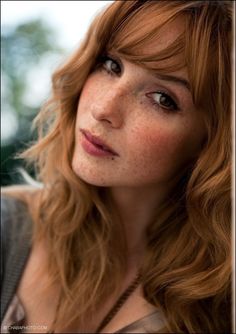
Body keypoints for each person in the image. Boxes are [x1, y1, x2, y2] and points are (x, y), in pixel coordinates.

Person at [1, 1, 233, 333]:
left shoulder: (217, 308)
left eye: (162, 98)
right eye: (111, 65)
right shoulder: (9, 230)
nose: (103, 108)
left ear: (213, 142)